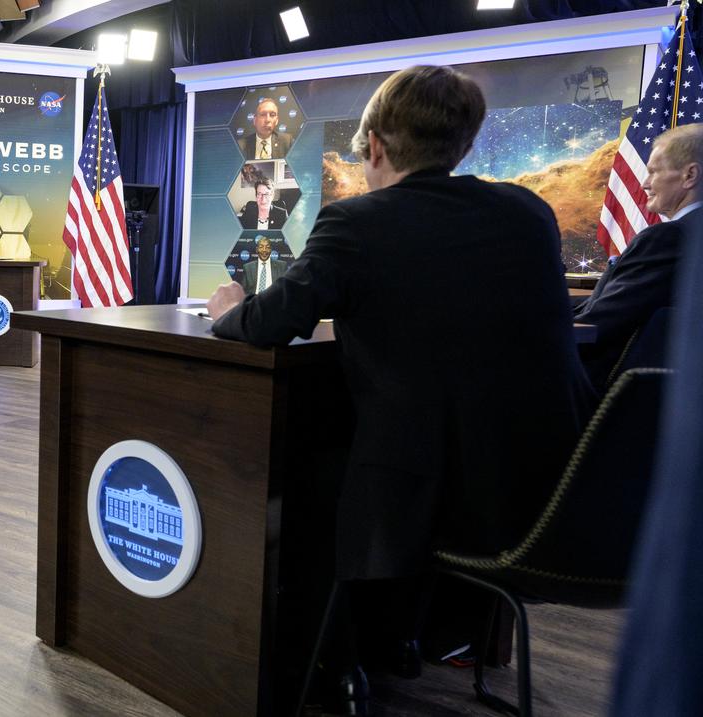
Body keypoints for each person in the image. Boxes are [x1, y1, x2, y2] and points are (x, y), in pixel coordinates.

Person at [207, 65, 594, 714]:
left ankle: (333, 665)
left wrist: (228, 305)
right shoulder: (529, 213)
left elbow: (272, 322)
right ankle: (408, 639)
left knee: (295, 476)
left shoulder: (358, 222)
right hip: (545, 494)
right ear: (462, 146)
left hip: (435, 507)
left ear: (376, 147)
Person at [574, 123, 702, 390]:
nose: (643, 184)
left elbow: (600, 324)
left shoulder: (668, 239)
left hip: (598, 396)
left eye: (653, 172)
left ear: (690, 175)